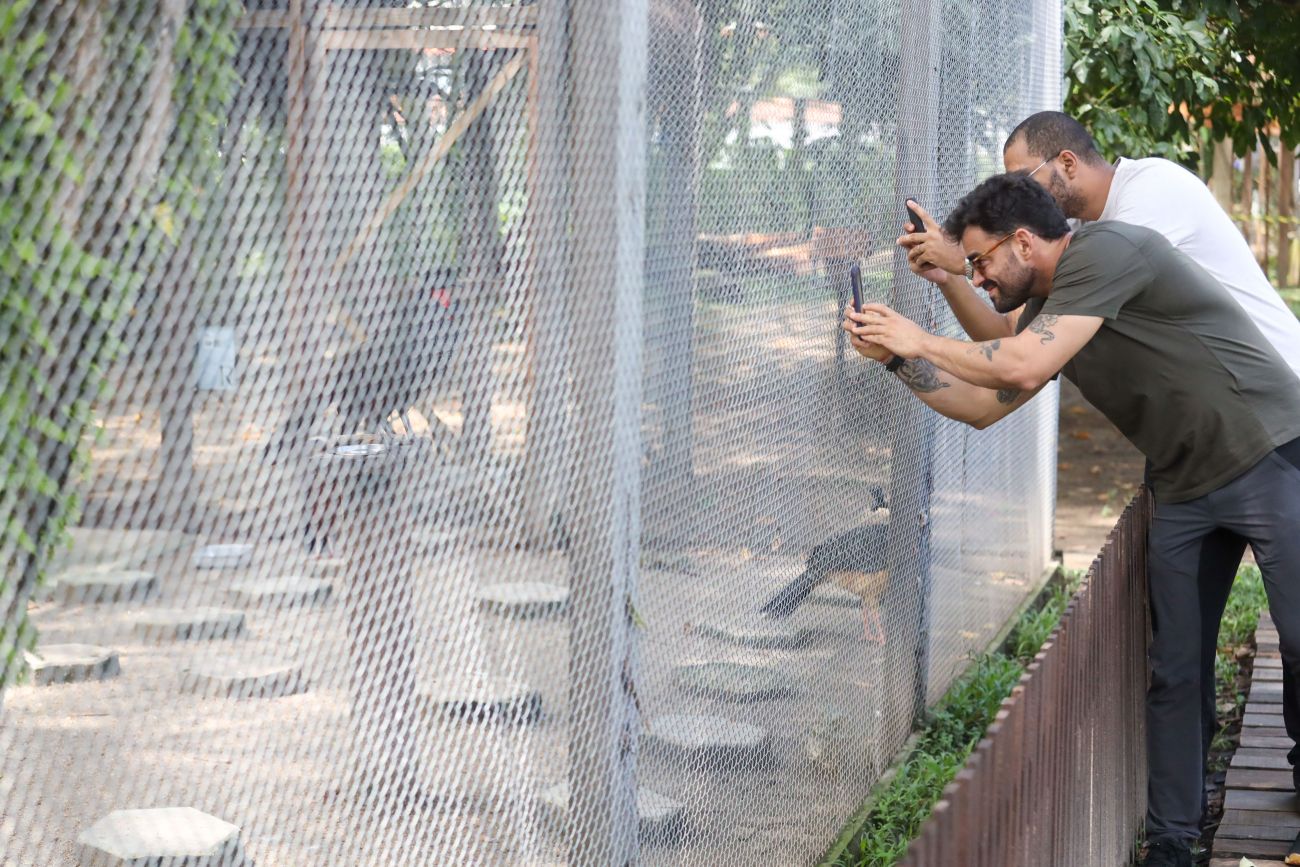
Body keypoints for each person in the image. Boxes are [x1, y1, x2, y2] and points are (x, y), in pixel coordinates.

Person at [846, 173, 1300, 867]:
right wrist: (896, 359)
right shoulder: (1051, 309)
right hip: (1183, 484)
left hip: (1269, 453)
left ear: (1025, 242)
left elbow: (1020, 365)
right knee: (1174, 671)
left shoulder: (1108, 251)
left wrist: (920, 337)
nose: (976, 276)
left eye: (981, 261)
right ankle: (1173, 842)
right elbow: (983, 403)